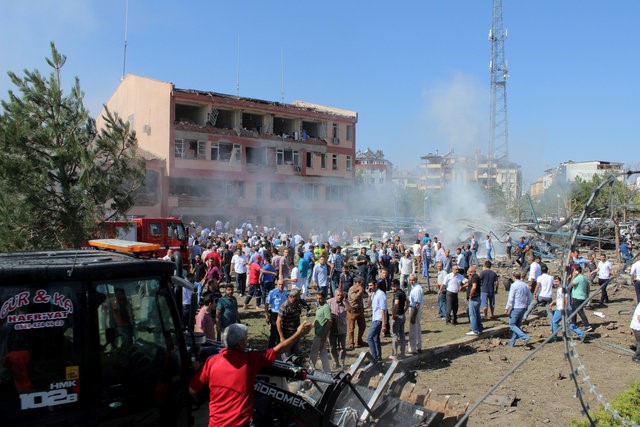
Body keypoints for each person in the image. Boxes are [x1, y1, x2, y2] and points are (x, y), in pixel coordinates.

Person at [189, 321, 312, 427]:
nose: (247, 342)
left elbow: (192, 390)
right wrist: (298, 333)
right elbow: (279, 349)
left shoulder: (211, 361)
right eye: (246, 339)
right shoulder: (250, 360)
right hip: (241, 423)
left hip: (215, 424)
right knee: (265, 401)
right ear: (240, 343)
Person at [549, 275, 586, 342]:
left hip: (562, 309)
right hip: (565, 309)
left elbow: (566, 300)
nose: (555, 283)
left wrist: (564, 309)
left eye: (557, 281)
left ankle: (554, 337)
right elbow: (559, 299)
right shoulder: (559, 289)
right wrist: (552, 303)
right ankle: (581, 334)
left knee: (554, 322)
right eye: (554, 281)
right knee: (567, 323)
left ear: (560, 281)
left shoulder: (563, 289)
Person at [276, 288, 308, 359]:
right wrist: (281, 337)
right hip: (287, 335)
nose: (299, 298)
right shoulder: (284, 306)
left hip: (296, 333)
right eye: (298, 296)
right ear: (293, 297)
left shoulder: (297, 303)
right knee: (286, 355)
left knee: (295, 354)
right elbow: (278, 322)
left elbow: (306, 309)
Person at [505, 271, 533, 347]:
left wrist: (507, 307)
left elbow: (511, 298)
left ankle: (525, 337)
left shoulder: (514, 285)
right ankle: (512, 343)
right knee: (517, 325)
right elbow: (530, 297)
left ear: (514, 277)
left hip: (516, 307)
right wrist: (527, 304)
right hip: (523, 307)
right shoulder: (525, 285)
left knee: (512, 325)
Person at [309, 293, 332, 372]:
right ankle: (327, 370)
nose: (319, 300)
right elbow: (317, 319)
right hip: (318, 332)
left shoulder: (326, 307)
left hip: (321, 333)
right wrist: (311, 325)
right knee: (323, 352)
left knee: (314, 351)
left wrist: (324, 335)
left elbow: (329, 321)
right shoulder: (319, 306)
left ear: (324, 298)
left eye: (320, 298)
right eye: (317, 298)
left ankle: (311, 368)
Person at [366, 279, 387, 362]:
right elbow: (368, 305)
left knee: (369, 337)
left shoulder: (381, 294)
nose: (369, 287)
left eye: (371, 285)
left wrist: (384, 324)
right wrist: (369, 295)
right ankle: (378, 357)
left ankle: (374, 357)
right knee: (375, 338)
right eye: (369, 286)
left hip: (379, 319)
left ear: (376, 285)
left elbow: (383, 310)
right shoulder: (374, 294)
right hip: (374, 318)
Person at [327, 288, 348, 369]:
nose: (339, 297)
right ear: (335, 295)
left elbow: (350, 310)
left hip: (342, 329)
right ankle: (335, 362)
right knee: (332, 347)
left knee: (342, 347)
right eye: (338, 295)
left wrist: (345, 302)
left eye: (341, 295)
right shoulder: (329, 302)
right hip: (332, 329)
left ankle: (342, 362)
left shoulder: (345, 303)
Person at [264, 279, 288, 348]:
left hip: (283, 314)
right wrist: (267, 315)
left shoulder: (285, 292)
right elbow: (267, 304)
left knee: (281, 332)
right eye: (279, 284)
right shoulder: (272, 292)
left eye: (282, 284)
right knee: (274, 331)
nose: (281, 286)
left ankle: (279, 348)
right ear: (277, 285)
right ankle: (270, 349)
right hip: (275, 314)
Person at [345, 276, 367, 350]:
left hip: (360, 310)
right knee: (351, 328)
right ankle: (351, 343)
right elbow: (353, 298)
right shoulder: (352, 289)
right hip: (352, 311)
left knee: (363, 326)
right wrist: (360, 292)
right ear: (358, 282)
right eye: (361, 283)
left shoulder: (361, 288)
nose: (362, 284)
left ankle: (359, 340)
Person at [570, 265, 593, 332]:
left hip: (577, 297)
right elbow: (588, 288)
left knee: (580, 312)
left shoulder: (578, 278)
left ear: (577, 271)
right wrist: (587, 296)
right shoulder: (584, 278)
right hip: (582, 297)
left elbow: (571, 285)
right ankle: (573, 323)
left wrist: (573, 277)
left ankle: (587, 325)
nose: (573, 272)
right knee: (573, 311)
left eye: (574, 270)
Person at [389, 278, 407, 359]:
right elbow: (408, 302)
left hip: (397, 316)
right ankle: (402, 353)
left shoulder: (397, 294)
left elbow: (396, 304)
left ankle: (394, 354)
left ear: (396, 286)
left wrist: (394, 314)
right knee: (402, 334)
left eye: (393, 287)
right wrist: (404, 311)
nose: (392, 289)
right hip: (402, 315)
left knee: (394, 335)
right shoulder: (403, 292)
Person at [407, 274, 423, 354]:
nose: (411, 282)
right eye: (410, 280)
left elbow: (417, 304)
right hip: (413, 308)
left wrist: (413, 316)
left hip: (414, 309)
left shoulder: (417, 289)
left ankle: (413, 348)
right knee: (417, 328)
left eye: (413, 280)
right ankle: (418, 346)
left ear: (416, 280)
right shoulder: (413, 288)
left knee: (413, 329)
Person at [465, 265, 482, 336]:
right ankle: (479, 329)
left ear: (474, 272)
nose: (469, 274)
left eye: (470, 272)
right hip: (477, 298)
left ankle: (475, 330)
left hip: (474, 298)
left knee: (472, 315)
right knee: (477, 314)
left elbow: (474, 287)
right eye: (468, 272)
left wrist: (470, 295)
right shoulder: (475, 277)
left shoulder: (475, 278)